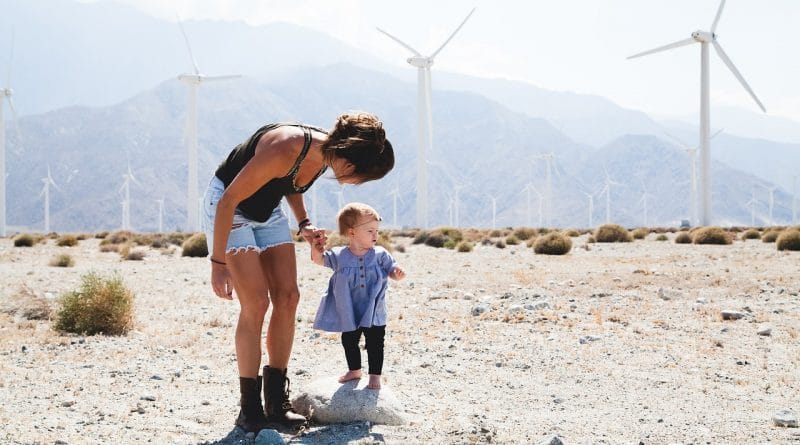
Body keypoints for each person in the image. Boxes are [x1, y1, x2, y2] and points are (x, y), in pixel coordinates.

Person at [202, 113, 394, 432]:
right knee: (256, 304)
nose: (357, 183)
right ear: (350, 161)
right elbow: (228, 200)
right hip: (230, 208)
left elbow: (291, 182)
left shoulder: (325, 154)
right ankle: (249, 410)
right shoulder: (286, 146)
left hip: (268, 211)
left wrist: (304, 223)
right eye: (361, 176)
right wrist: (218, 263)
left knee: (289, 297)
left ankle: (276, 404)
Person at [310, 202, 406, 390]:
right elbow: (319, 260)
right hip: (349, 310)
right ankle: (354, 370)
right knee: (349, 340)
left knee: (375, 342)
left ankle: (375, 376)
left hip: (374, 310)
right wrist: (316, 247)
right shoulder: (339, 255)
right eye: (370, 231)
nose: (375, 235)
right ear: (352, 232)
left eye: (377, 231)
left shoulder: (380, 254)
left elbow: (392, 270)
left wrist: (397, 273)